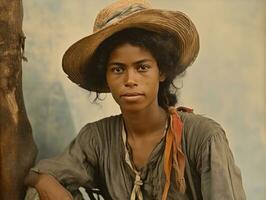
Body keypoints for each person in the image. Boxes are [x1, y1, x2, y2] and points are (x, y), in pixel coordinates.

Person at [24, 0, 246, 199]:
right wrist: (42, 181)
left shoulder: (203, 137)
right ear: (106, 77)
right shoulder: (97, 139)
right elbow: (39, 175)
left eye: (142, 67)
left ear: (162, 72)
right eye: (118, 69)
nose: (130, 80)